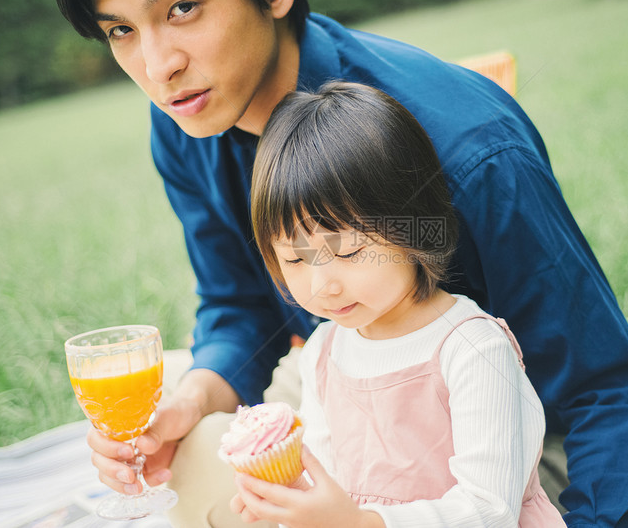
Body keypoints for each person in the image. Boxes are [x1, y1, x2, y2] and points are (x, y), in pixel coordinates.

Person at [49, 0, 628, 525]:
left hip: (499, 443)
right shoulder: (186, 122)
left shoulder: (468, 149)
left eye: (181, 9)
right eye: (121, 31)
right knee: (195, 450)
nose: (159, 67)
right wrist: (190, 404)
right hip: (349, 385)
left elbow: (608, 392)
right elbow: (237, 309)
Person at [229, 80, 566, 527]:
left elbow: (490, 509)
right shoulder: (325, 352)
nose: (322, 285)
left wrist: (363, 523)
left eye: (348, 252)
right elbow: (329, 483)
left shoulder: (471, 349)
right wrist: (290, 501)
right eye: (295, 258)